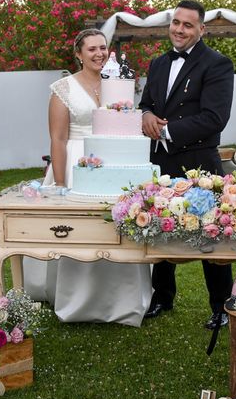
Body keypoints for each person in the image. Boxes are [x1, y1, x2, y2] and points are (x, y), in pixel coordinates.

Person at [24, 29, 152, 327]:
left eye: (103, 48)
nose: (98, 54)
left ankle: (122, 299)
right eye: (91, 49)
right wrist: (59, 183)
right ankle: (75, 299)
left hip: (114, 165)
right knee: (78, 231)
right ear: (78, 54)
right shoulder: (63, 89)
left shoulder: (118, 85)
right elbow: (57, 138)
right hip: (74, 164)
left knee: (117, 229)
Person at [139, 0, 234, 329]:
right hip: (162, 161)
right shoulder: (157, 63)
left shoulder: (218, 64)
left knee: (211, 231)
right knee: (160, 228)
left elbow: (215, 118)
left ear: (201, 29)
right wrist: (148, 116)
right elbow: (147, 103)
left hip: (200, 163)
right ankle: (162, 296)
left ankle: (221, 305)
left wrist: (166, 130)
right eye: (175, 23)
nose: (179, 29)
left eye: (187, 25)